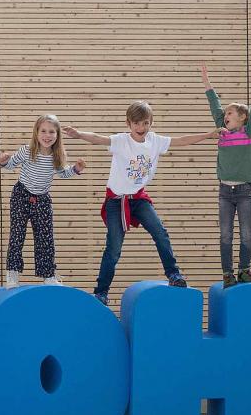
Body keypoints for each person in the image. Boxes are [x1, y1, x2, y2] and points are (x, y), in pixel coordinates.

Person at [64, 101, 222, 306]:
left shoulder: (155, 141)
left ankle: (173, 274)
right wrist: (79, 134)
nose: (141, 128)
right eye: (137, 124)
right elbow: (98, 139)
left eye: (146, 123)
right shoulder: (121, 141)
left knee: (160, 231)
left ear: (151, 123)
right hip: (116, 201)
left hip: (138, 199)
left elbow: (182, 141)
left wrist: (208, 135)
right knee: (113, 248)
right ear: (129, 123)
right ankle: (101, 292)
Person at [201, 62, 251, 287]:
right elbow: (215, 106)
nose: (225, 116)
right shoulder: (222, 132)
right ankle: (227, 274)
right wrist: (206, 82)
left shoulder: (250, 132)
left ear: (242, 117)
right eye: (226, 114)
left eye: (230, 113)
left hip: (244, 191)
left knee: (247, 235)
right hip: (224, 191)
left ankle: (244, 270)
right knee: (225, 236)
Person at [0, 114, 85, 287]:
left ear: (57, 134)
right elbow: (11, 165)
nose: (47, 135)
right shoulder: (27, 150)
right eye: (43, 131)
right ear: (36, 133)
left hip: (42, 199)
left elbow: (63, 173)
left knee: (45, 237)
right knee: (17, 234)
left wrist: (75, 169)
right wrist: (4, 162)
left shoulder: (57, 155)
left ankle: (48, 275)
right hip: (21, 195)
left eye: (52, 132)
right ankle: (12, 274)